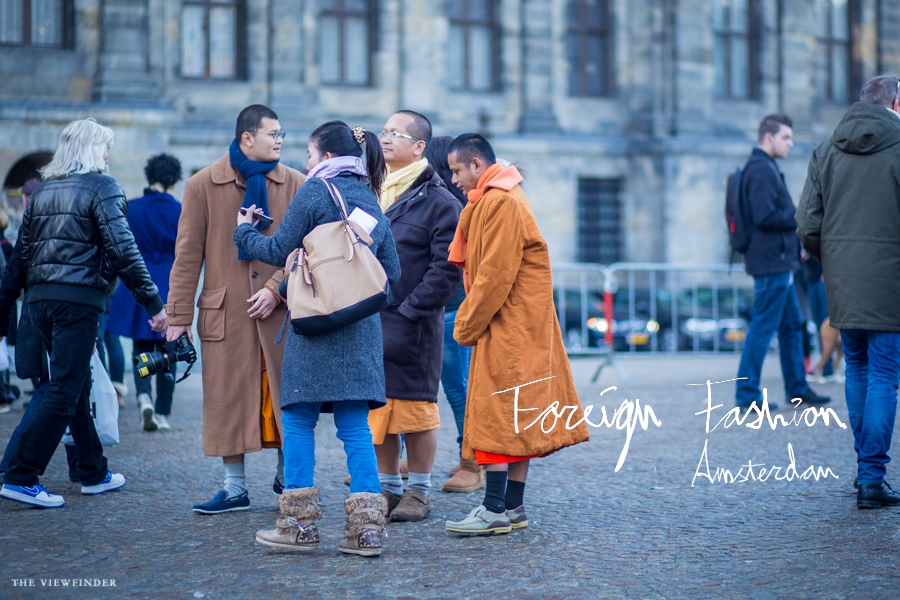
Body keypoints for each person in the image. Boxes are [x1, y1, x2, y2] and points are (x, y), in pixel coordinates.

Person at [235, 121, 400, 556]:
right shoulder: (370, 198)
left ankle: (298, 525)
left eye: (308, 155)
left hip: (313, 328)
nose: (305, 164)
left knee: (298, 420)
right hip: (359, 330)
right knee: (356, 429)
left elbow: (275, 250)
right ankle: (367, 531)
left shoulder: (313, 191)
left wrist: (244, 230)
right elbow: (393, 276)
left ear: (325, 157)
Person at [0, 118, 166, 509]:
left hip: (39, 302)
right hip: (76, 302)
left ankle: (93, 471)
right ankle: (22, 475)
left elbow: (20, 261)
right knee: (65, 388)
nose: (108, 155)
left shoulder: (41, 193)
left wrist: (4, 307)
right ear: (94, 151)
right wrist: (154, 305)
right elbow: (124, 250)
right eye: (105, 147)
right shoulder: (103, 187)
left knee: (75, 387)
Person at [443, 134, 590, 535]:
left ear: (476, 164)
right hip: (517, 323)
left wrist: (465, 324)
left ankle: (493, 509)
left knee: (496, 413)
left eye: (456, 170)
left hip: (506, 325)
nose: (454, 179)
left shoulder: (499, 201)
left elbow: (494, 276)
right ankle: (512, 508)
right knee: (516, 414)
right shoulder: (501, 196)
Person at [166, 104, 304, 514]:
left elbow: (304, 248)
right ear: (247, 137)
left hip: (280, 312)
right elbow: (187, 256)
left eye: (282, 134)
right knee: (227, 398)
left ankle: (286, 474)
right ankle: (234, 487)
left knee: (285, 395)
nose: (280, 140)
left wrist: (277, 290)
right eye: (272, 133)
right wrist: (177, 318)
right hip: (225, 313)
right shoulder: (202, 185)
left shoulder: (296, 182)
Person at [796, 75, 900, 509]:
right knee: (883, 374)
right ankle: (871, 478)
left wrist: (831, 261)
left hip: (841, 280)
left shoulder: (825, 151)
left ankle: (866, 472)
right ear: (895, 103)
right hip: (890, 280)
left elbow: (806, 224)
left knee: (856, 368)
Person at [368, 111, 463, 521]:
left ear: (419, 147)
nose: (385, 139)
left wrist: (410, 312)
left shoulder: (440, 200)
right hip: (370, 319)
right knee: (379, 410)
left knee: (416, 409)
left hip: (414, 322)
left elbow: (446, 269)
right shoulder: (372, 190)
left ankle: (419, 491)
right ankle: (389, 488)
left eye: (395, 134)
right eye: (383, 132)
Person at [734, 114, 830, 412]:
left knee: (791, 326)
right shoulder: (761, 170)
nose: (791, 143)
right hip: (772, 263)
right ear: (768, 138)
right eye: (786, 137)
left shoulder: (766, 167)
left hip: (781, 261)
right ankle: (747, 395)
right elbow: (763, 216)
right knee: (762, 328)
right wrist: (797, 217)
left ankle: (797, 390)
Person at [106, 153, 183, 431]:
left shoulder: (132, 207)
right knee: (168, 349)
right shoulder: (179, 210)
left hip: (139, 280)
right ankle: (162, 411)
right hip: (171, 281)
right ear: (173, 179)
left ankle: (143, 395)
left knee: (141, 344)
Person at [424, 136, 480, 493]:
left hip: (454, 308)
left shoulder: (460, 207)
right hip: (435, 307)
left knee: (458, 389)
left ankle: (473, 462)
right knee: (429, 388)